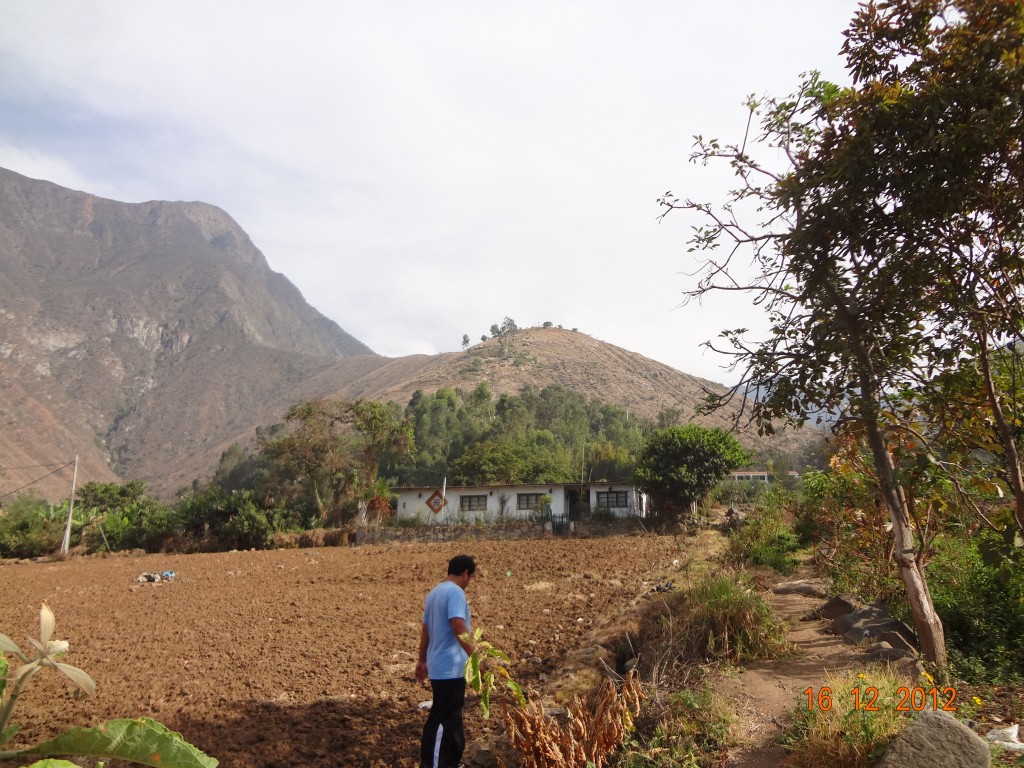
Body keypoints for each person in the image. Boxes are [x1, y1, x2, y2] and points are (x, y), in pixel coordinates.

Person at [415, 554, 477, 768]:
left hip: (440, 664)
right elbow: (458, 624)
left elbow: (426, 630)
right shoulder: (455, 592)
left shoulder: (434, 593)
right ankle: (432, 764)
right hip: (449, 667)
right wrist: (476, 656)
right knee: (442, 718)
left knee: (452, 715)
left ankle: (451, 761)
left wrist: (422, 660)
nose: (469, 583)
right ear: (466, 573)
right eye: (471, 578)